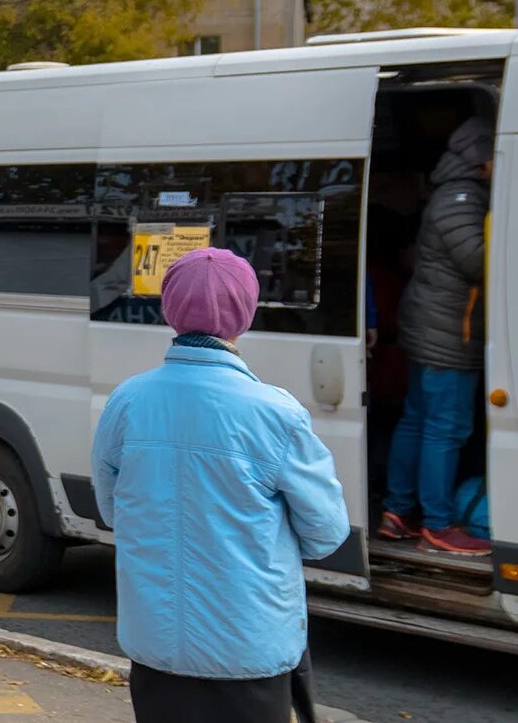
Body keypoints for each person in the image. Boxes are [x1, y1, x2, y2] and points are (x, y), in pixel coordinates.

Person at [94, 248, 347, 723]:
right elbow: (326, 533)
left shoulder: (126, 401)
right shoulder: (277, 413)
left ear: (170, 311)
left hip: (156, 648)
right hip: (248, 649)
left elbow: (113, 512)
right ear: (245, 315)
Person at [380, 116, 495, 555]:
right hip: (447, 333)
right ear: (482, 157)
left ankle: (397, 512)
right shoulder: (461, 198)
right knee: (445, 429)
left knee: (420, 421)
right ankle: (439, 523)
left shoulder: (457, 194)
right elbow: (480, 260)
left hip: (435, 327)